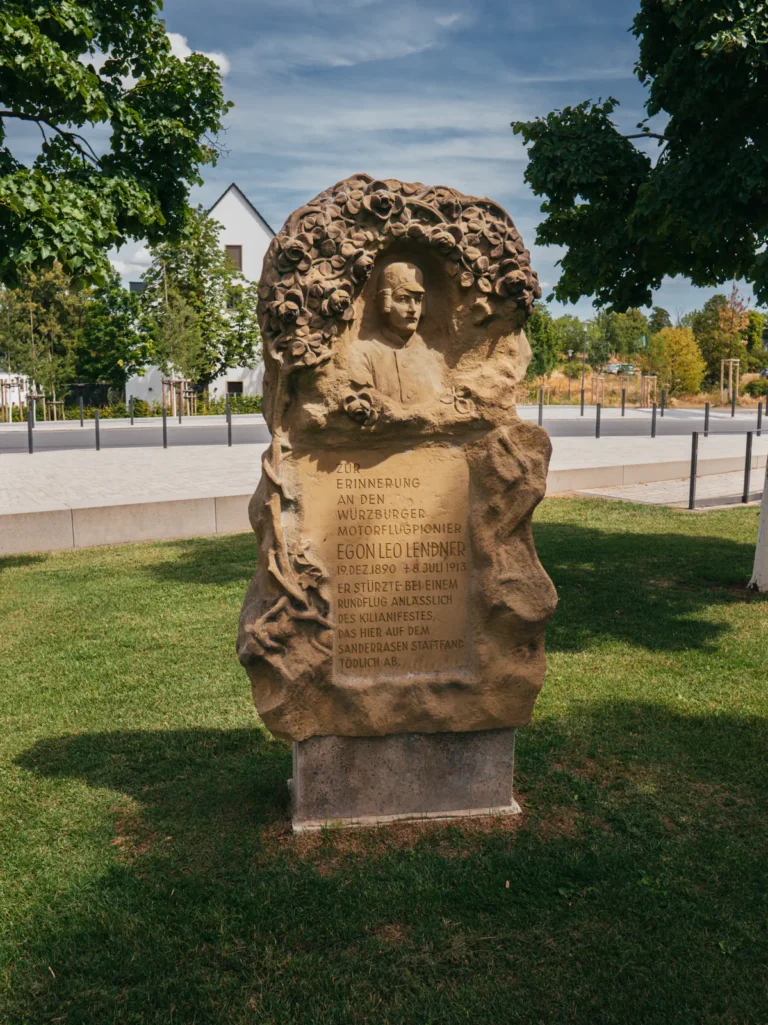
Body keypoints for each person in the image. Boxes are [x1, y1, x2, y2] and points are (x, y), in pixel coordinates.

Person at [345, 262, 448, 422]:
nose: (413, 309)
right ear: (385, 302)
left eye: (418, 300)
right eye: (403, 299)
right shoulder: (363, 353)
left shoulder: (432, 359)